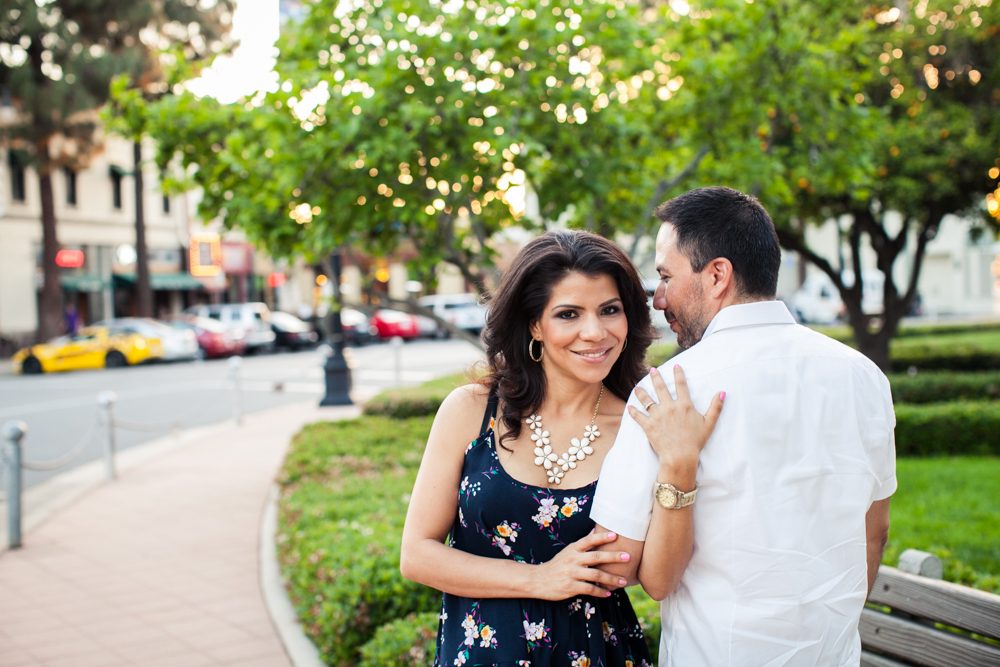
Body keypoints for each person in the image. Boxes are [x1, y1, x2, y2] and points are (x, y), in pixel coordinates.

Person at [591, 186, 897, 666]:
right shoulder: (864, 377)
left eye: (666, 276)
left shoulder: (670, 391)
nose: (659, 298)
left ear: (717, 276)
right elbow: (873, 532)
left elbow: (625, 563)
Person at [401, 230, 715, 666]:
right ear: (534, 323)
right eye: (568, 314)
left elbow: (658, 581)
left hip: (597, 651)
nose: (595, 332)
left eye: (610, 310)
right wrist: (539, 579)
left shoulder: (641, 423)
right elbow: (417, 555)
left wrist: (681, 467)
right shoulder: (471, 411)